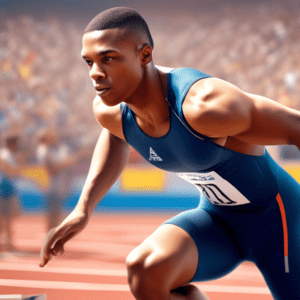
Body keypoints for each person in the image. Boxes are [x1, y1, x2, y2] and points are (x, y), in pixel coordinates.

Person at [39, 7, 300, 300]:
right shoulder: (109, 111)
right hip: (219, 222)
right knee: (146, 269)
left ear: (145, 55)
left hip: (281, 221)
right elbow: (116, 136)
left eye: (108, 59)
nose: (95, 73)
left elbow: (296, 127)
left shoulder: (205, 106)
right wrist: (83, 209)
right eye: (89, 62)